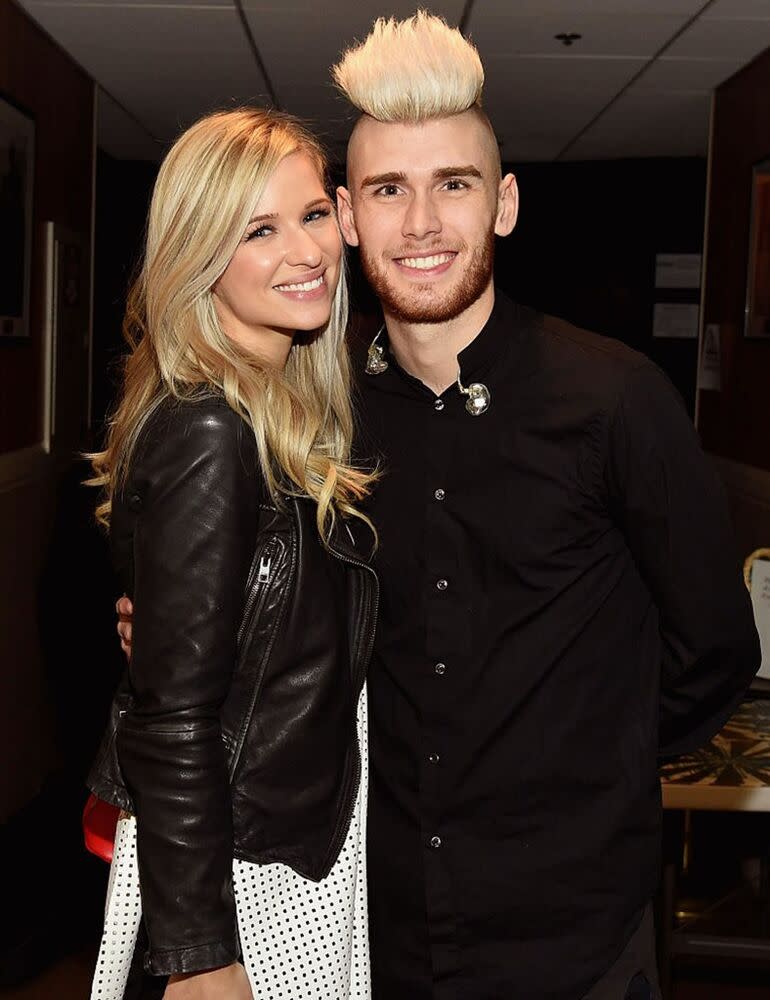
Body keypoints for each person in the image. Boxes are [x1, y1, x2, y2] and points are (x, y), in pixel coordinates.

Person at [118, 13, 760, 1000]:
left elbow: (712, 647)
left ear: (501, 203)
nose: (419, 224)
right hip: (374, 921)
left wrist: (589, 767)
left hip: (572, 931)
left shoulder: (616, 398)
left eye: (451, 185)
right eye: (386, 190)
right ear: (348, 214)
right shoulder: (320, 409)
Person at [88, 107, 378, 1000]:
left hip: (291, 837)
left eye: (312, 215)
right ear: (200, 256)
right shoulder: (210, 426)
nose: (306, 250)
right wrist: (201, 951)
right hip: (241, 871)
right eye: (259, 229)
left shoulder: (290, 407)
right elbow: (171, 718)